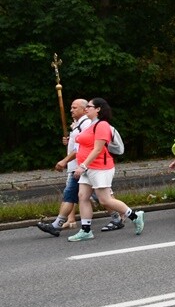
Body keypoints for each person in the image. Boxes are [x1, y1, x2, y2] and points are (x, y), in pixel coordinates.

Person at [66, 98, 145, 241]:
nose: (86, 109)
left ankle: (134, 215)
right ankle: (86, 230)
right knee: (82, 196)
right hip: (88, 167)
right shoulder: (90, 125)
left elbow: (98, 149)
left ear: (98, 109)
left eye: (89, 106)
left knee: (105, 200)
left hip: (100, 167)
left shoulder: (102, 125)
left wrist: (83, 165)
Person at [37, 98, 91, 237]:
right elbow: (76, 143)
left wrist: (64, 160)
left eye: (74, 107)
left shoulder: (86, 124)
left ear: (84, 109)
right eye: (71, 107)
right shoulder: (78, 124)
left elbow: (81, 148)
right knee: (70, 195)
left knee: (103, 196)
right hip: (76, 168)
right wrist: (69, 140)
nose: (71, 110)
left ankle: (122, 215)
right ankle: (57, 225)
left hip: (85, 167)